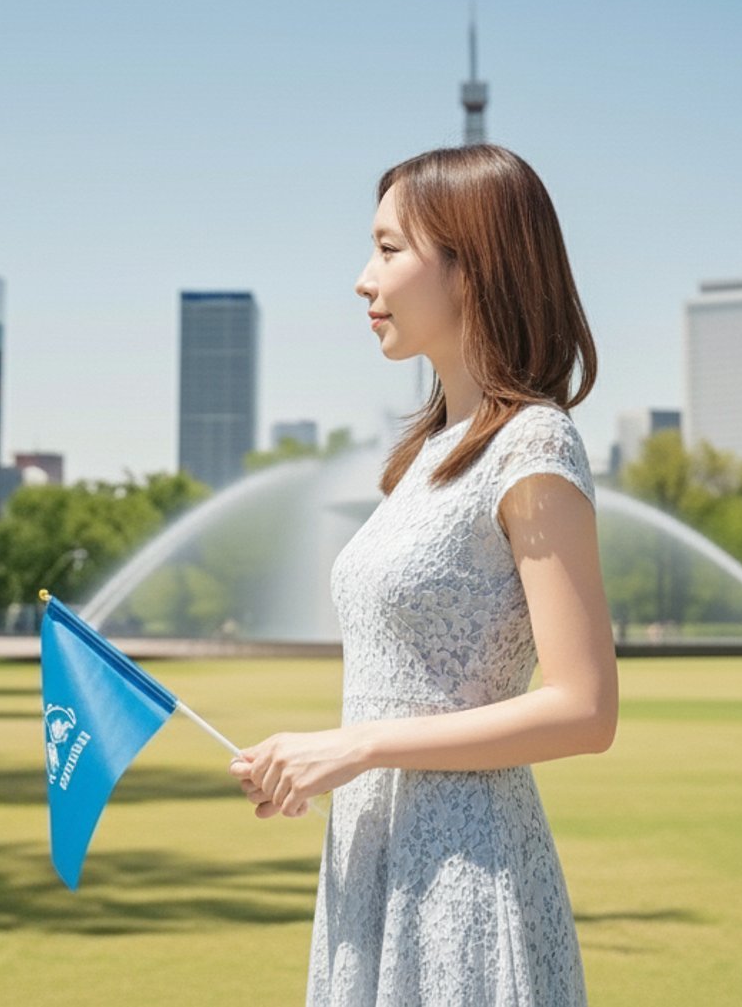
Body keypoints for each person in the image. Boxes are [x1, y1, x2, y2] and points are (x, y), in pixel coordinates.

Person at [229, 144, 614, 1006]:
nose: (363, 279)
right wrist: (314, 755)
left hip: (464, 876)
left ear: (470, 267)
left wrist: (356, 745)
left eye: (388, 249)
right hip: (371, 862)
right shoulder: (428, 454)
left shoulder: (533, 442)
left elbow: (586, 708)